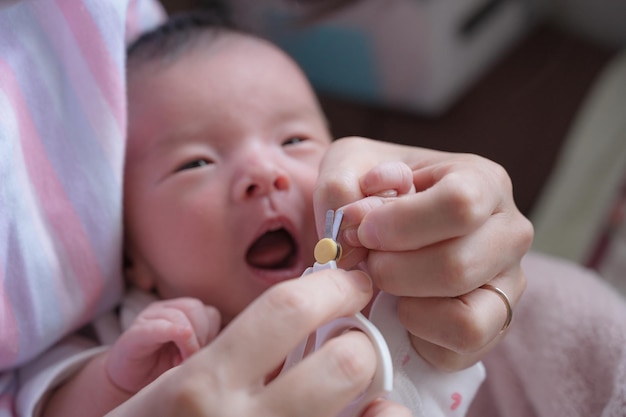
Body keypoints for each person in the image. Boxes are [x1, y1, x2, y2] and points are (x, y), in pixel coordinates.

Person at [0, 2, 531, 417]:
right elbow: (44, 399)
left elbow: (462, 285)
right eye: (195, 164)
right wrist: (114, 381)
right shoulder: (151, 334)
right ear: (135, 259)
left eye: (295, 139)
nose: (263, 172)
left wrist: (406, 204)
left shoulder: (376, 266)